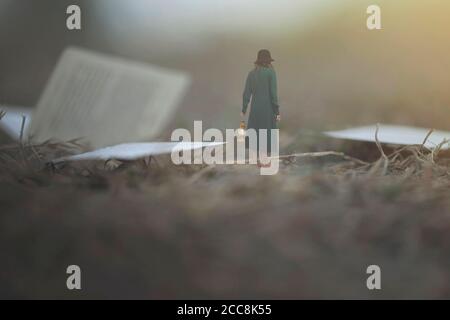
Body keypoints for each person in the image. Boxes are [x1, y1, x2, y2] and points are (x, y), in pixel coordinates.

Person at [241, 49, 280, 167]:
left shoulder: (251, 74)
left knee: (256, 131)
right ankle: (265, 160)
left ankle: (257, 160)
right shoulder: (271, 73)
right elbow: (273, 94)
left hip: (255, 108)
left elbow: (246, 93)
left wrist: (244, 108)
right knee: (267, 131)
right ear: (268, 61)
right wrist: (277, 110)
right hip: (267, 108)